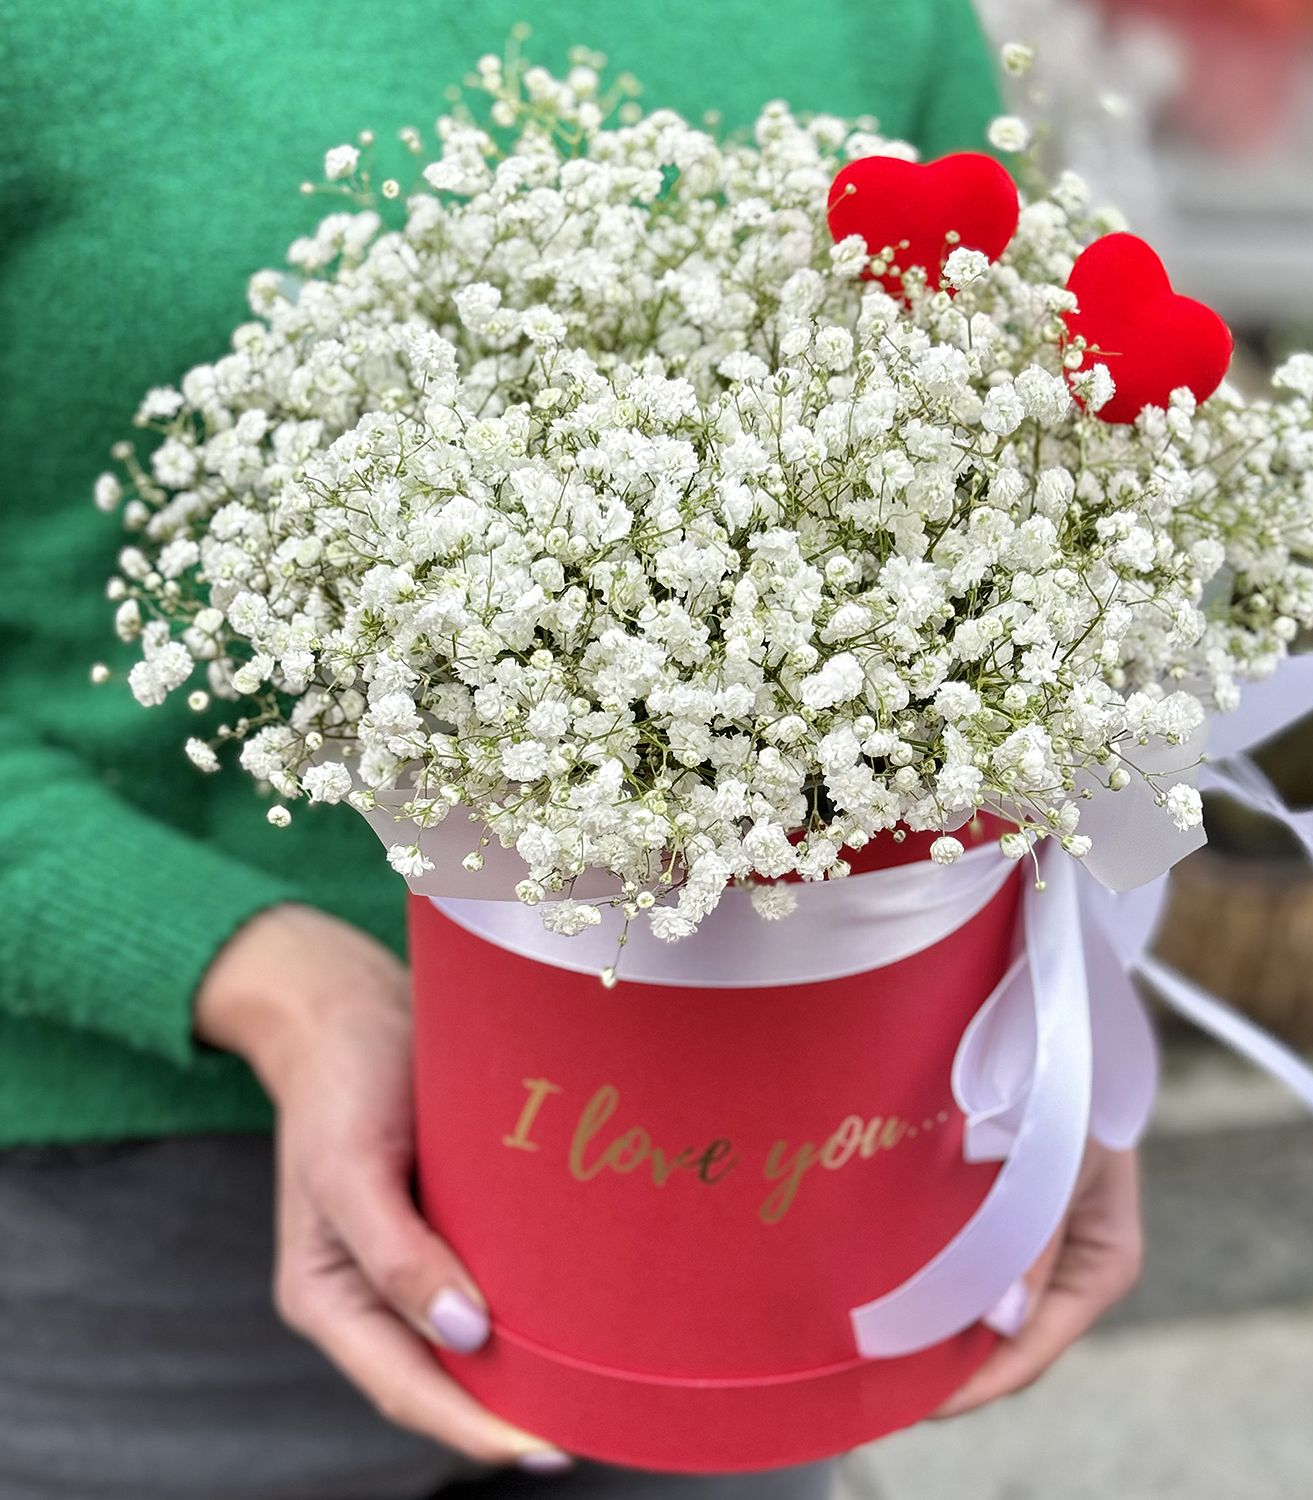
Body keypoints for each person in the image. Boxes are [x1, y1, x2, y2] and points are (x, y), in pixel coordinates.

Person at [0, 2, 1142, 1495]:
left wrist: (1064, 1036)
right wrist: (269, 979)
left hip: (772, 1175)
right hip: (134, 1271)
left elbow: (1027, 517)